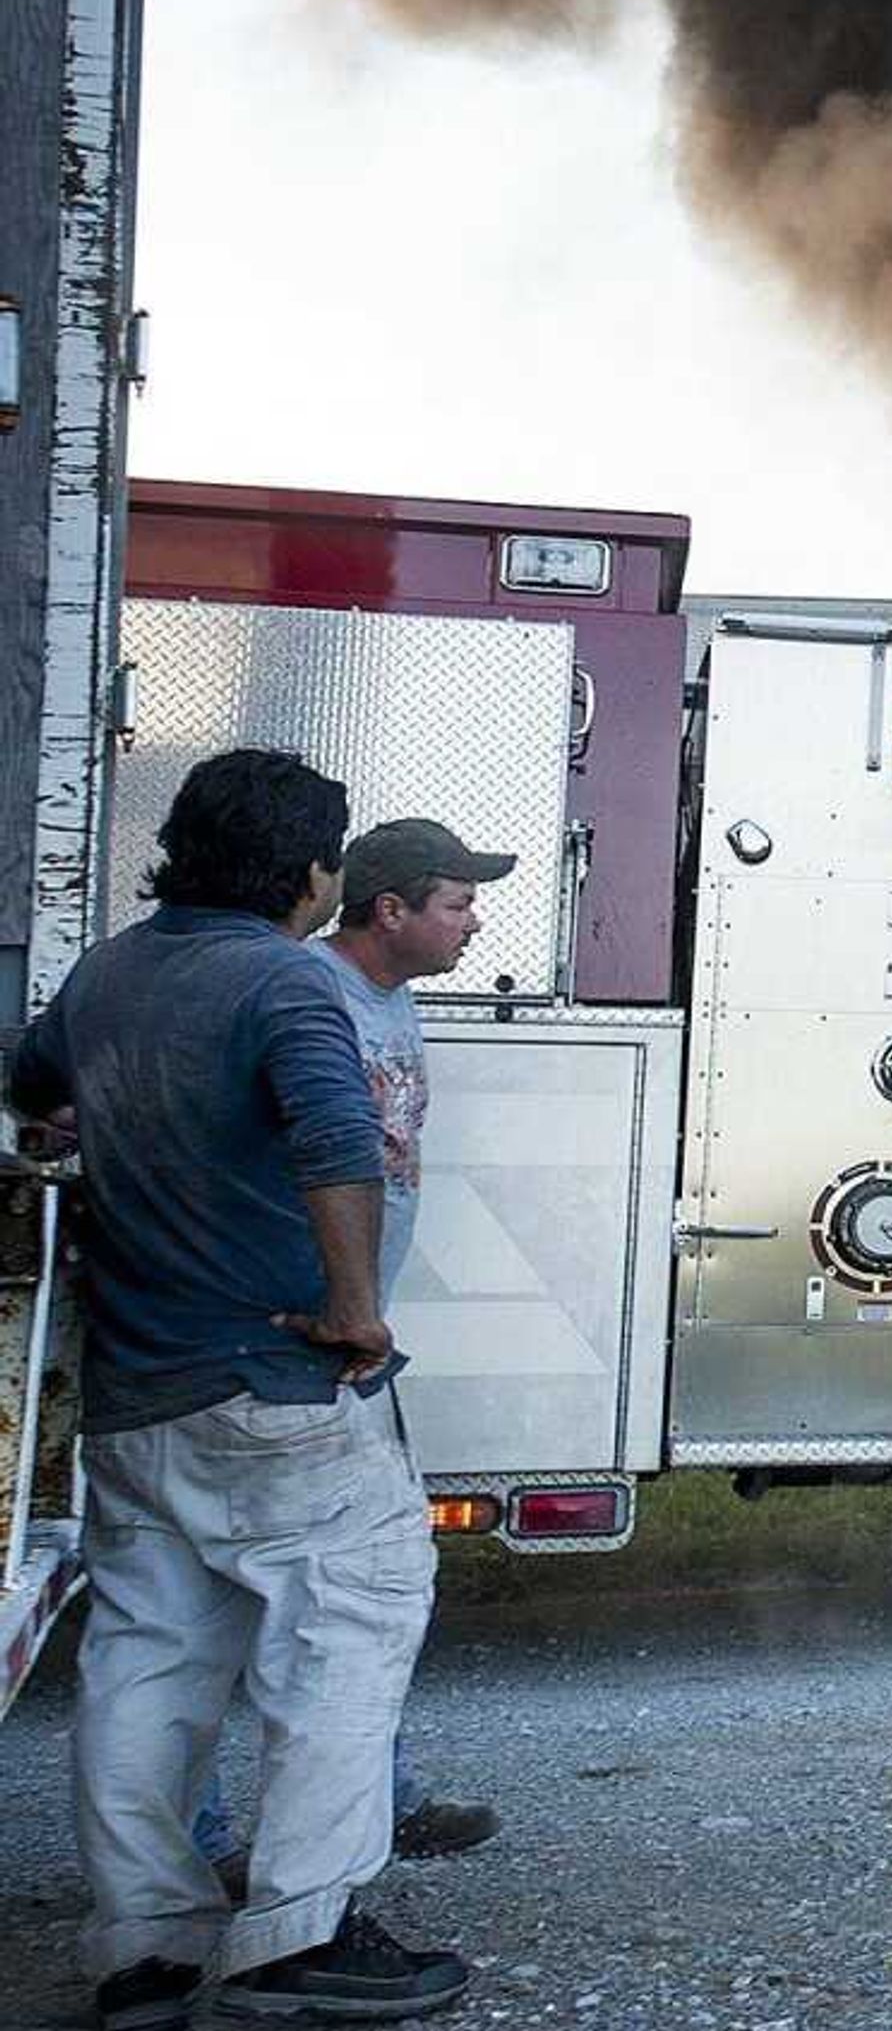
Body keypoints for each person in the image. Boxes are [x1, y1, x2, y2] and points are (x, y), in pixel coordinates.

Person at [8, 750, 473, 2025]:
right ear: (312, 872)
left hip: (136, 1391)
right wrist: (355, 1310)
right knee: (349, 1624)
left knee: (149, 1664)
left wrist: (83, 1129)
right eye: (331, 860)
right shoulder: (284, 978)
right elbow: (336, 1144)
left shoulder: (110, 972)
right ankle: (296, 1936)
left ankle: (142, 1951)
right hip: (272, 1385)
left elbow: (32, 1086)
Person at [189, 818, 516, 1878]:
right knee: (234, 1605)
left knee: (359, 1591)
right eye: (459, 903)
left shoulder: (390, 998)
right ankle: (201, 1846)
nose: (474, 922)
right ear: (391, 910)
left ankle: (381, 1794)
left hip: (352, 1332)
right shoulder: (303, 993)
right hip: (288, 1337)